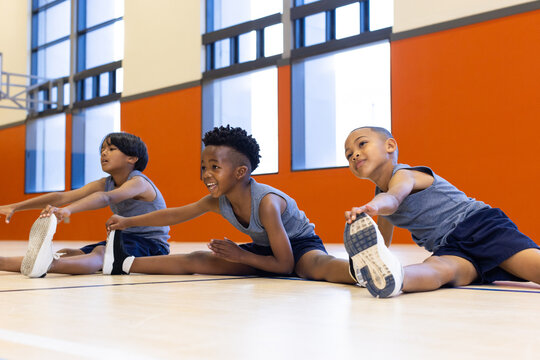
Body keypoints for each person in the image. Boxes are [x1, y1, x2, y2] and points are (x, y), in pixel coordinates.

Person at [104, 125, 355, 284]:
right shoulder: (218, 201)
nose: (205, 174)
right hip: (264, 251)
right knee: (197, 259)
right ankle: (124, 263)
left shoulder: (266, 203)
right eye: (203, 167)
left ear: (240, 172)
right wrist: (128, 222)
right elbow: (173, 215)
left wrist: (240, 255)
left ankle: (366, 272)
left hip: (298, 248)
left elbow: (285, 265)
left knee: (315, 267)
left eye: (215, 167)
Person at [342, 126, 540, 298]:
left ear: (390, 146)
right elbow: (382, 243)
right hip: (449, 247)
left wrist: (371, 208)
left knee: (534, 267)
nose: (355, 155)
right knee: (440, 269)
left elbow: (393, 198)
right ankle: (396, 277)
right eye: (349, 155)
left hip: (478, 226)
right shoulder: (381, 198)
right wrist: (366, 257)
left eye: (362, 144)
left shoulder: (405, 175)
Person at [0, 132, 170, 278]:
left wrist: (68, 210)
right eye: (102, 149)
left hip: (151, 245)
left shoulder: (139, 182)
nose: (104, 153)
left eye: (111, 149)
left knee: (100, 253)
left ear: (132, 158)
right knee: (68, 252)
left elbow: (106, 198)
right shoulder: (107, 182)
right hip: (123, 240)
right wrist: (15, 207)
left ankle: (48, 266)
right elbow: (61, 197)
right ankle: (3, 262)